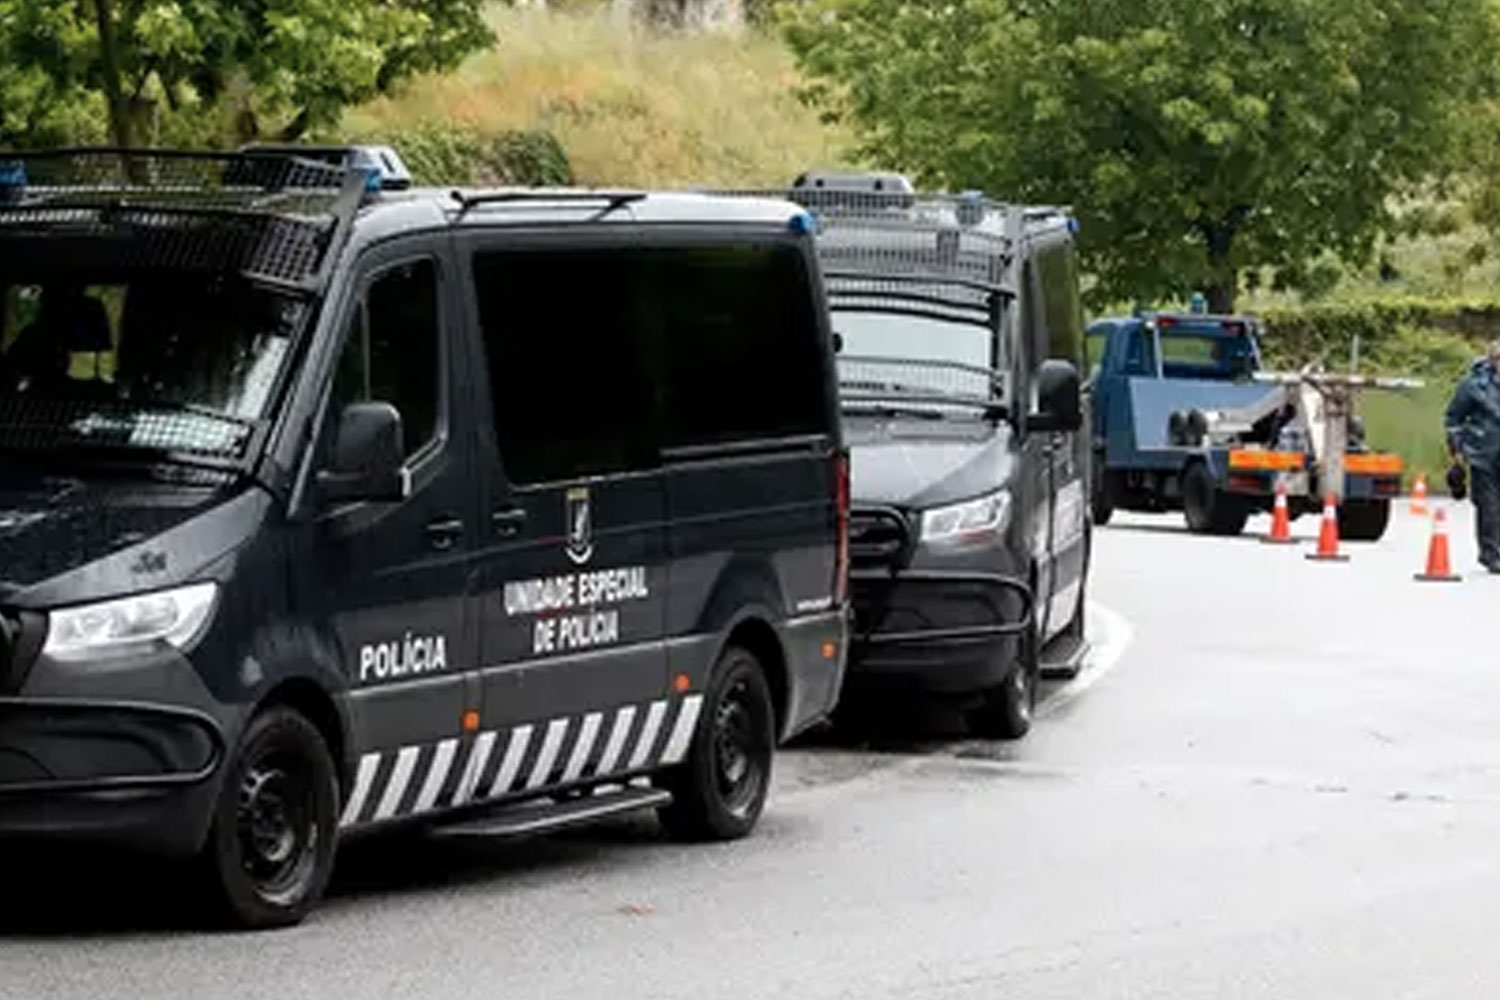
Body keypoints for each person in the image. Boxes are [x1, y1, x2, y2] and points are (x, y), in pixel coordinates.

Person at [1444, 339, 1500, 572]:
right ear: (1493, 360)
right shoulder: (1473, 385)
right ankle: (1491, 555)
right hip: (1483, 453)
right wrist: (1458, 451)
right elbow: (1453, 419)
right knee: (1489, 506)